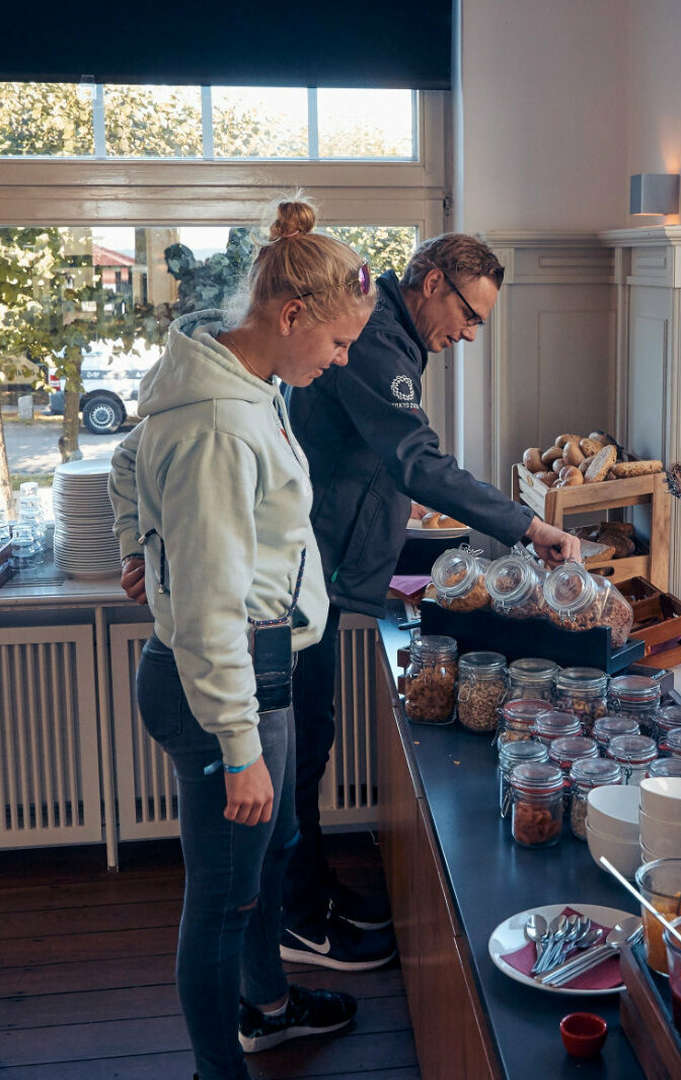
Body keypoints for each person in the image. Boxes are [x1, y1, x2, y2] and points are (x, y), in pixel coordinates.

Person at [110, 198, 375, 1079]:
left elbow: (125, 462)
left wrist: (136, 542)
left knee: (276, 852)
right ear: (290, 315)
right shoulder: (220, 423)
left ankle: (268, 1009)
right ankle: (216, 1071)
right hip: (223, 686)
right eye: (337, 345)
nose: (340, 363)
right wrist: (237, 746)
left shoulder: (243, 385)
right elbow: (212, 611)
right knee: (224, 899)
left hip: (267, 668)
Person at [277, 233, 582, 969]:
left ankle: (310, 895)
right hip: (303, 574)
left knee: (309, 737)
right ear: (433, 281)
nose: (470, 335)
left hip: (320, 568)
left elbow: (384, 463)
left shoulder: (388, 335)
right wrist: (528, 524)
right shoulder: (379, 341)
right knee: (302, 747)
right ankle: (296, 920)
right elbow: (416, 460)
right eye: (470, 315)